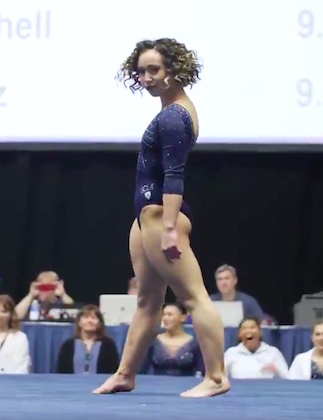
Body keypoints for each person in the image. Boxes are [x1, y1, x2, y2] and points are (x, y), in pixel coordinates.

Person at [93, 38, 229, 398]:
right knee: (147, 301)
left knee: (194, 297)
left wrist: (169, 228)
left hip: (161, 219)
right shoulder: (169, 111)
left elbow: (173, 175)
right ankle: (125, 374)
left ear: (174, 70)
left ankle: (216, 377)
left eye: (154, 69)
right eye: (140, 71)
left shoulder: (174, 116)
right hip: (146, 219)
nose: (146, 77)